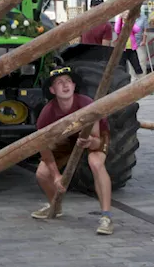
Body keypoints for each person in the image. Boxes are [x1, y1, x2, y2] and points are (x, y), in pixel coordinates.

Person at [30, 66, 114, 234]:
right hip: (68, 139)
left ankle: (106, 217)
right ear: (52, 90)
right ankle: (56, 205)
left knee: (96, 163)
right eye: (59, 83)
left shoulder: (87, 104)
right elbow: (43, 147)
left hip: (94, 137)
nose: (65, 85)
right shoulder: (47, 113)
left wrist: (89, 141)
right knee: (41, 174)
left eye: (68, 81)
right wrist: (56, 176)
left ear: (74, 86)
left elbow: (97, 141)